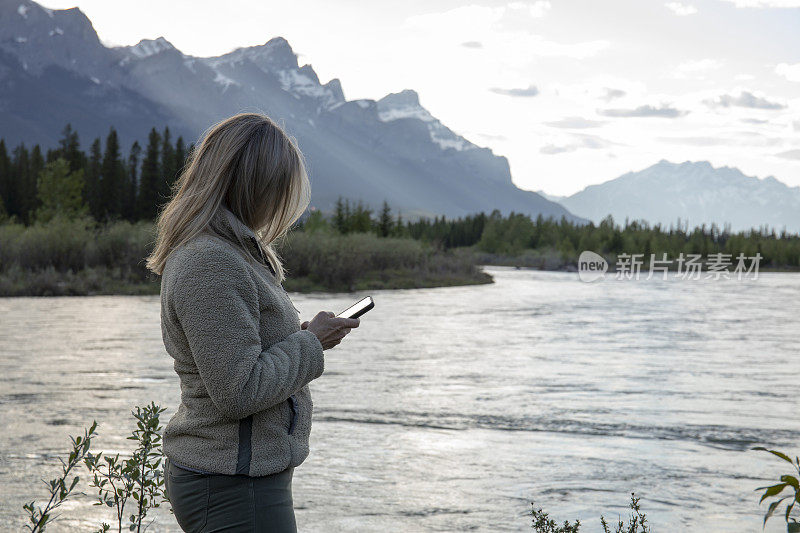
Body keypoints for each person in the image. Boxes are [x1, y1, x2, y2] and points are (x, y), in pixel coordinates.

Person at [145, 112, 360, 532]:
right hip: (232, 485)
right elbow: (238, 390)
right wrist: (310, 343)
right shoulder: (210, 262)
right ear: (253, 186)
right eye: (279, 188)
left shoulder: (228, 253)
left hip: (236, 478)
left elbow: (242, 358)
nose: (282, 203)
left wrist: (303, 339)